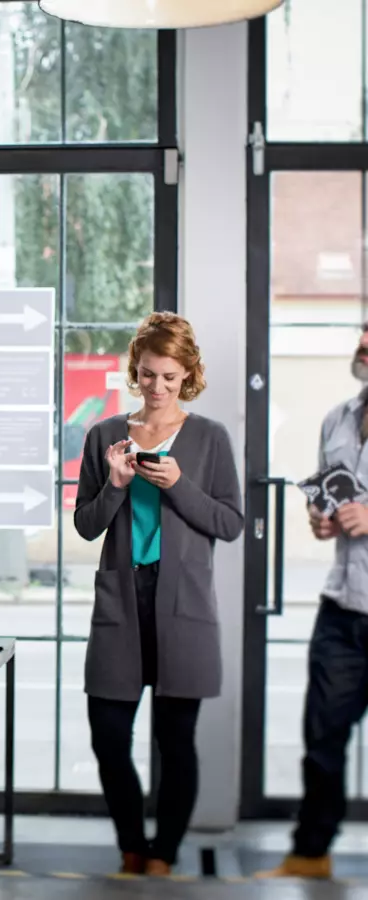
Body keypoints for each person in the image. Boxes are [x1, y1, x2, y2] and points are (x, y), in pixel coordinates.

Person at [73, 312, 243, 877]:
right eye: (148, 374)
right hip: (122, 602)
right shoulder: (105, 434)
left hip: (183, 607)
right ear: (135, 371)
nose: (157, 387)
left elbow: (229, 522)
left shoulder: (211, 438)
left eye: (170, 377)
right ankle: (132, 846)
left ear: (187, 374)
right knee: (110, 737)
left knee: (176, 743)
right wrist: (117, 485)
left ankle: (164, 855)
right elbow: (86, 525)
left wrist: (179, 485)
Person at [258, 324, 368, 881]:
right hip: (343, 608)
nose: (365, 341)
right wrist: (320, 521)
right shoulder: (338, 418)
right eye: (365, 332)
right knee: (321, 739)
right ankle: (310, 855)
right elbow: (331, 496)